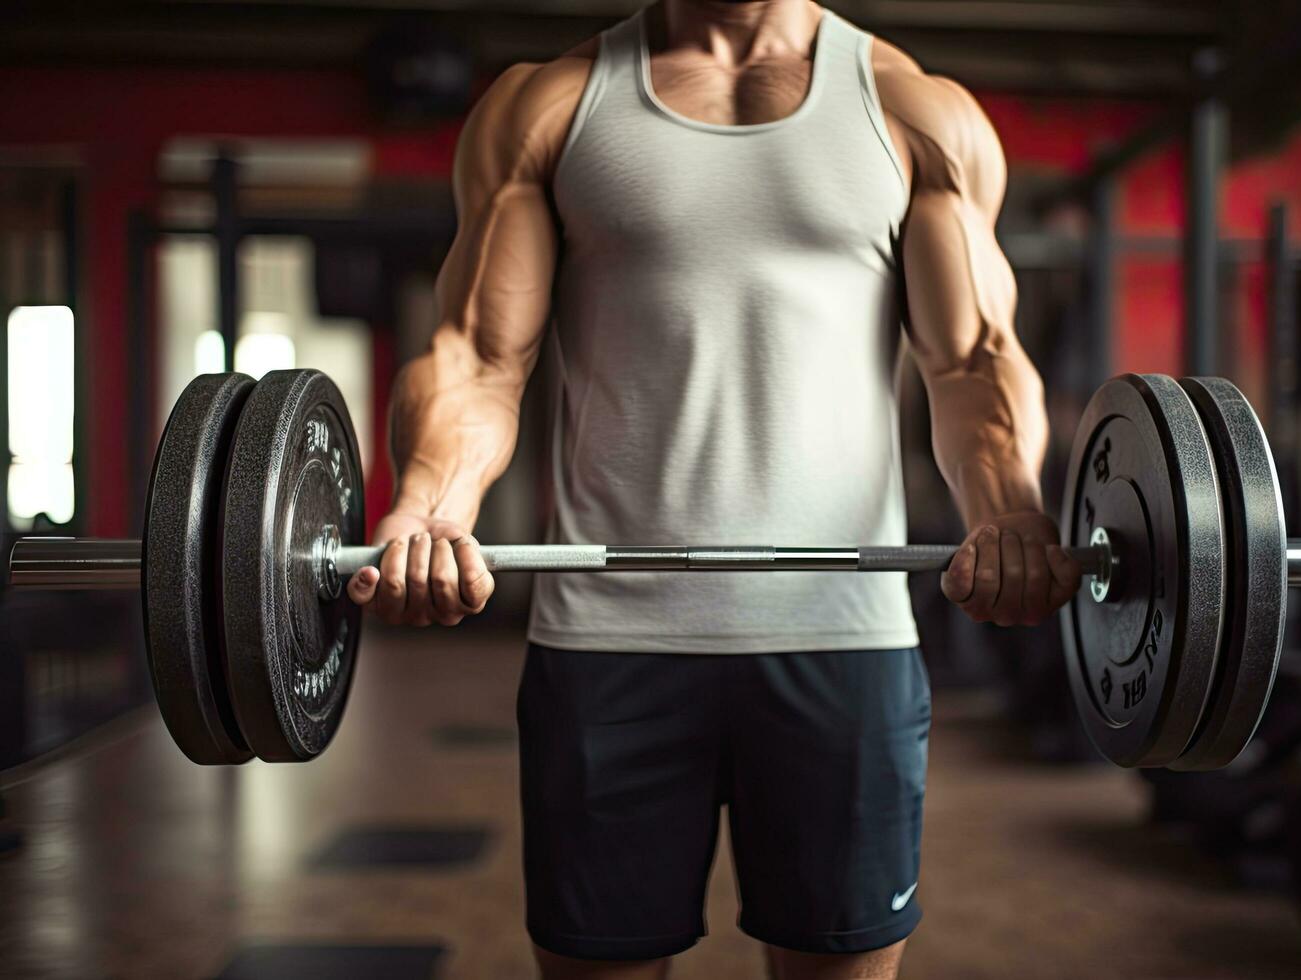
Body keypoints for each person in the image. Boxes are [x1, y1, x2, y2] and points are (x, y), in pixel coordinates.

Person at [348, 2, 1081, 977]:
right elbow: (481, 358)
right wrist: (432, 503)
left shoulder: (913, 111)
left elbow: (974, 364)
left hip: (842, 639)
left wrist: (1010, 511)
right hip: (609, 647)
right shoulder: (550, 106)